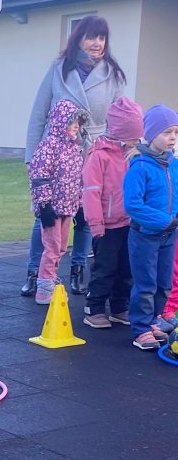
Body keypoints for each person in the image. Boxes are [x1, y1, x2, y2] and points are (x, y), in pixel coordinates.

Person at [23, 15, 126, 298]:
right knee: (45, 215)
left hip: (93, 151)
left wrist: (119, 154)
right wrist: (32, 157)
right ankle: (35, 272)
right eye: (91, 37)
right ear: (78, 39)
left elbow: (118, 119)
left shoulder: (112, 74)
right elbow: (38, 114)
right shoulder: (59, 69)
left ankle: (78, 268)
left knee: (85, 214)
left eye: (102, 37)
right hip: (56, 154)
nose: (97, 43)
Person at [80, 97, 143, 329]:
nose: (137, 140)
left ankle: (119, 307)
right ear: (120, 132)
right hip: (106, 224)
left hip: (130, 222)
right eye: (133, 135)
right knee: (105, 268)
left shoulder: (134, 154)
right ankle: (94, 308)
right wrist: (96, 224)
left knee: (127, 268)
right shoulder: (99, 155)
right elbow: (91, 192)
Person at [123, 105, 178, 350]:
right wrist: (165, 221)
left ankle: (153, 320)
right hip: (145, 235)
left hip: (169, 235)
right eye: (167, 132)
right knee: (145, 284)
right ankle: (141, 329)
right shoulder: (140, 166)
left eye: (176, 132)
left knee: (164, 283)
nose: (173, 137)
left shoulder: (174, 164)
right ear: (152, 134)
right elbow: (133, 205)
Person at [28, 101, 86, 306]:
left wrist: (80, 202)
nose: (76, 126)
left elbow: (77, 179)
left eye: (78, 122)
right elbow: (39, 176)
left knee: (61, 247)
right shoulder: (48, 146)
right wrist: (44, 205)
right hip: (52, 208)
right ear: (61, 123)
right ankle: (44, 287)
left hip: (68, 206)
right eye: (72, 122)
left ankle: (50, 278)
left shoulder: (74, 148)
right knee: (52, 247)